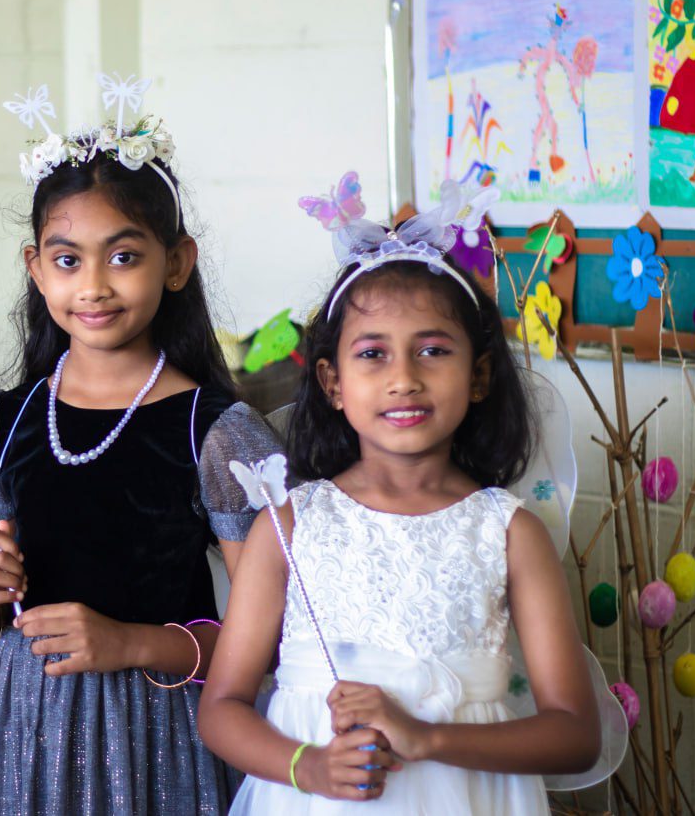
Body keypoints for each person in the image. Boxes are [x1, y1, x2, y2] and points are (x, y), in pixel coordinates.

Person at [198, 206, 600, 814]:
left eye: (433, 350)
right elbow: (222, 708)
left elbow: (576, 734)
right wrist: (310, 768)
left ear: (479, 375)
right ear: (332, 382)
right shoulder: (289, 525)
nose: (404, 378)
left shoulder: (509, 532)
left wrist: (428, 737)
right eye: (373, 355)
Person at [0, 101, 279, 814]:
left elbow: (270, 642)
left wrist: (130, 643)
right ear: (36, 269)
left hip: (155, 736)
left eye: (124, 255)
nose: (94, 285)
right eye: (68, 260)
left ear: (177, 263)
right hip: (22, 734)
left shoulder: (218, 433)